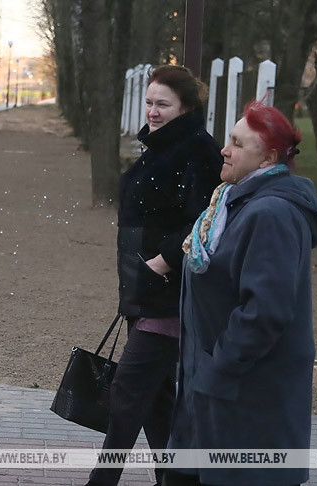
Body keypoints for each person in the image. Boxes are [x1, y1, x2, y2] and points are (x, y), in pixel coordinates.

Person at [164, 102, 317, 486]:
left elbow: (265, 312)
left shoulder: (271, 213)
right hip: (214, 399)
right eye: (229, 140)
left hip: (247, 406)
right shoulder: (227, 204)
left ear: (267, 158)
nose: (225, 149)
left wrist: (215, 370)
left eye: (238, 143)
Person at [87, 66, 223, 486]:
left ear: (185, 108)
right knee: (158, 396)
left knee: (128, 390)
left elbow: (206, 219)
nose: (153, 111)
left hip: (170, 293)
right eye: (149, 102)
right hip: (142, 288)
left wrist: (162, 262)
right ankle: (178, 478)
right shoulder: (158, 147)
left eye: (163, 104)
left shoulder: (198, 149)